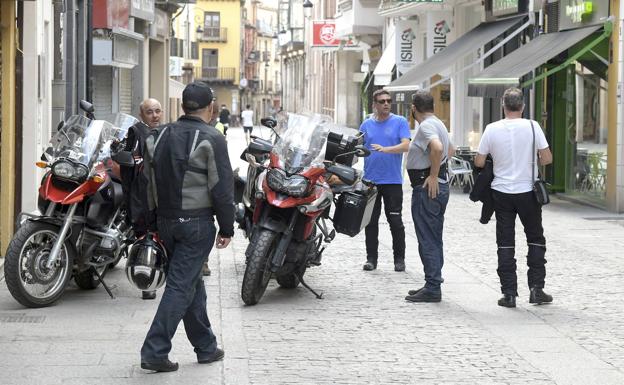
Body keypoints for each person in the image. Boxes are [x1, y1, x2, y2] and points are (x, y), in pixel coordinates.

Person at [140, 81, 234, 372]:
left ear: (182, 106)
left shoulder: (159, 135)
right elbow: (222, 188)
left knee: (191, 282)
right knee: (181, 286)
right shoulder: (212, 138)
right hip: (196, 224)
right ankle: (154, 350)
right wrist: (227, 227)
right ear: (211, 107)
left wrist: (153, 222)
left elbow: (149, 183)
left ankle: (206, 346)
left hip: (166, 222)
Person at [474, 87, 553, 308]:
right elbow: (546, 158)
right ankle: (536, 289)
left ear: (503, 106)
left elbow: (479, 162)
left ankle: (509, 293)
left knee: (505, 243)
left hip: (501, 193)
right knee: (535, 238)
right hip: (528, 192)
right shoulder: (532, 126)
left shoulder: (491, 129)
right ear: (523, 106)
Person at [404, 90, 453, 303]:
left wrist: (433, 175)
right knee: (434, 236)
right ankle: (432, 283)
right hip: (436, 186)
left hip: (427, 188)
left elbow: (439, 148)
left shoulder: (426, 126)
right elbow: (450, 150)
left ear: (414, 108)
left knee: (428, 238)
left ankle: (433, 286)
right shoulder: (438, 123)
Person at [359, 89, 410, 272]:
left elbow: (406, 145)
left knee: (395, 221)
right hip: (370, 181)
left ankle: (399, 259)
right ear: (374, 104)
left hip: (392, 181)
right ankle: (371, 259)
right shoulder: (366, 125)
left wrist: (385, 149)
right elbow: (358, 148)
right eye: (382, 101)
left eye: (389, 101)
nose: (386, 104)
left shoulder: (400, 122)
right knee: (370, 222)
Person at [120, 98, 163, 301]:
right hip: (142, 194)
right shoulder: (136, 132)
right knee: (145, 236)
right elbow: (129, 164)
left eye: (157, 111)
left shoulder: (164, 133)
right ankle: (148, 283)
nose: (154, 115)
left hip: (159, 193)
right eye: (149, 112)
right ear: (141, 114)